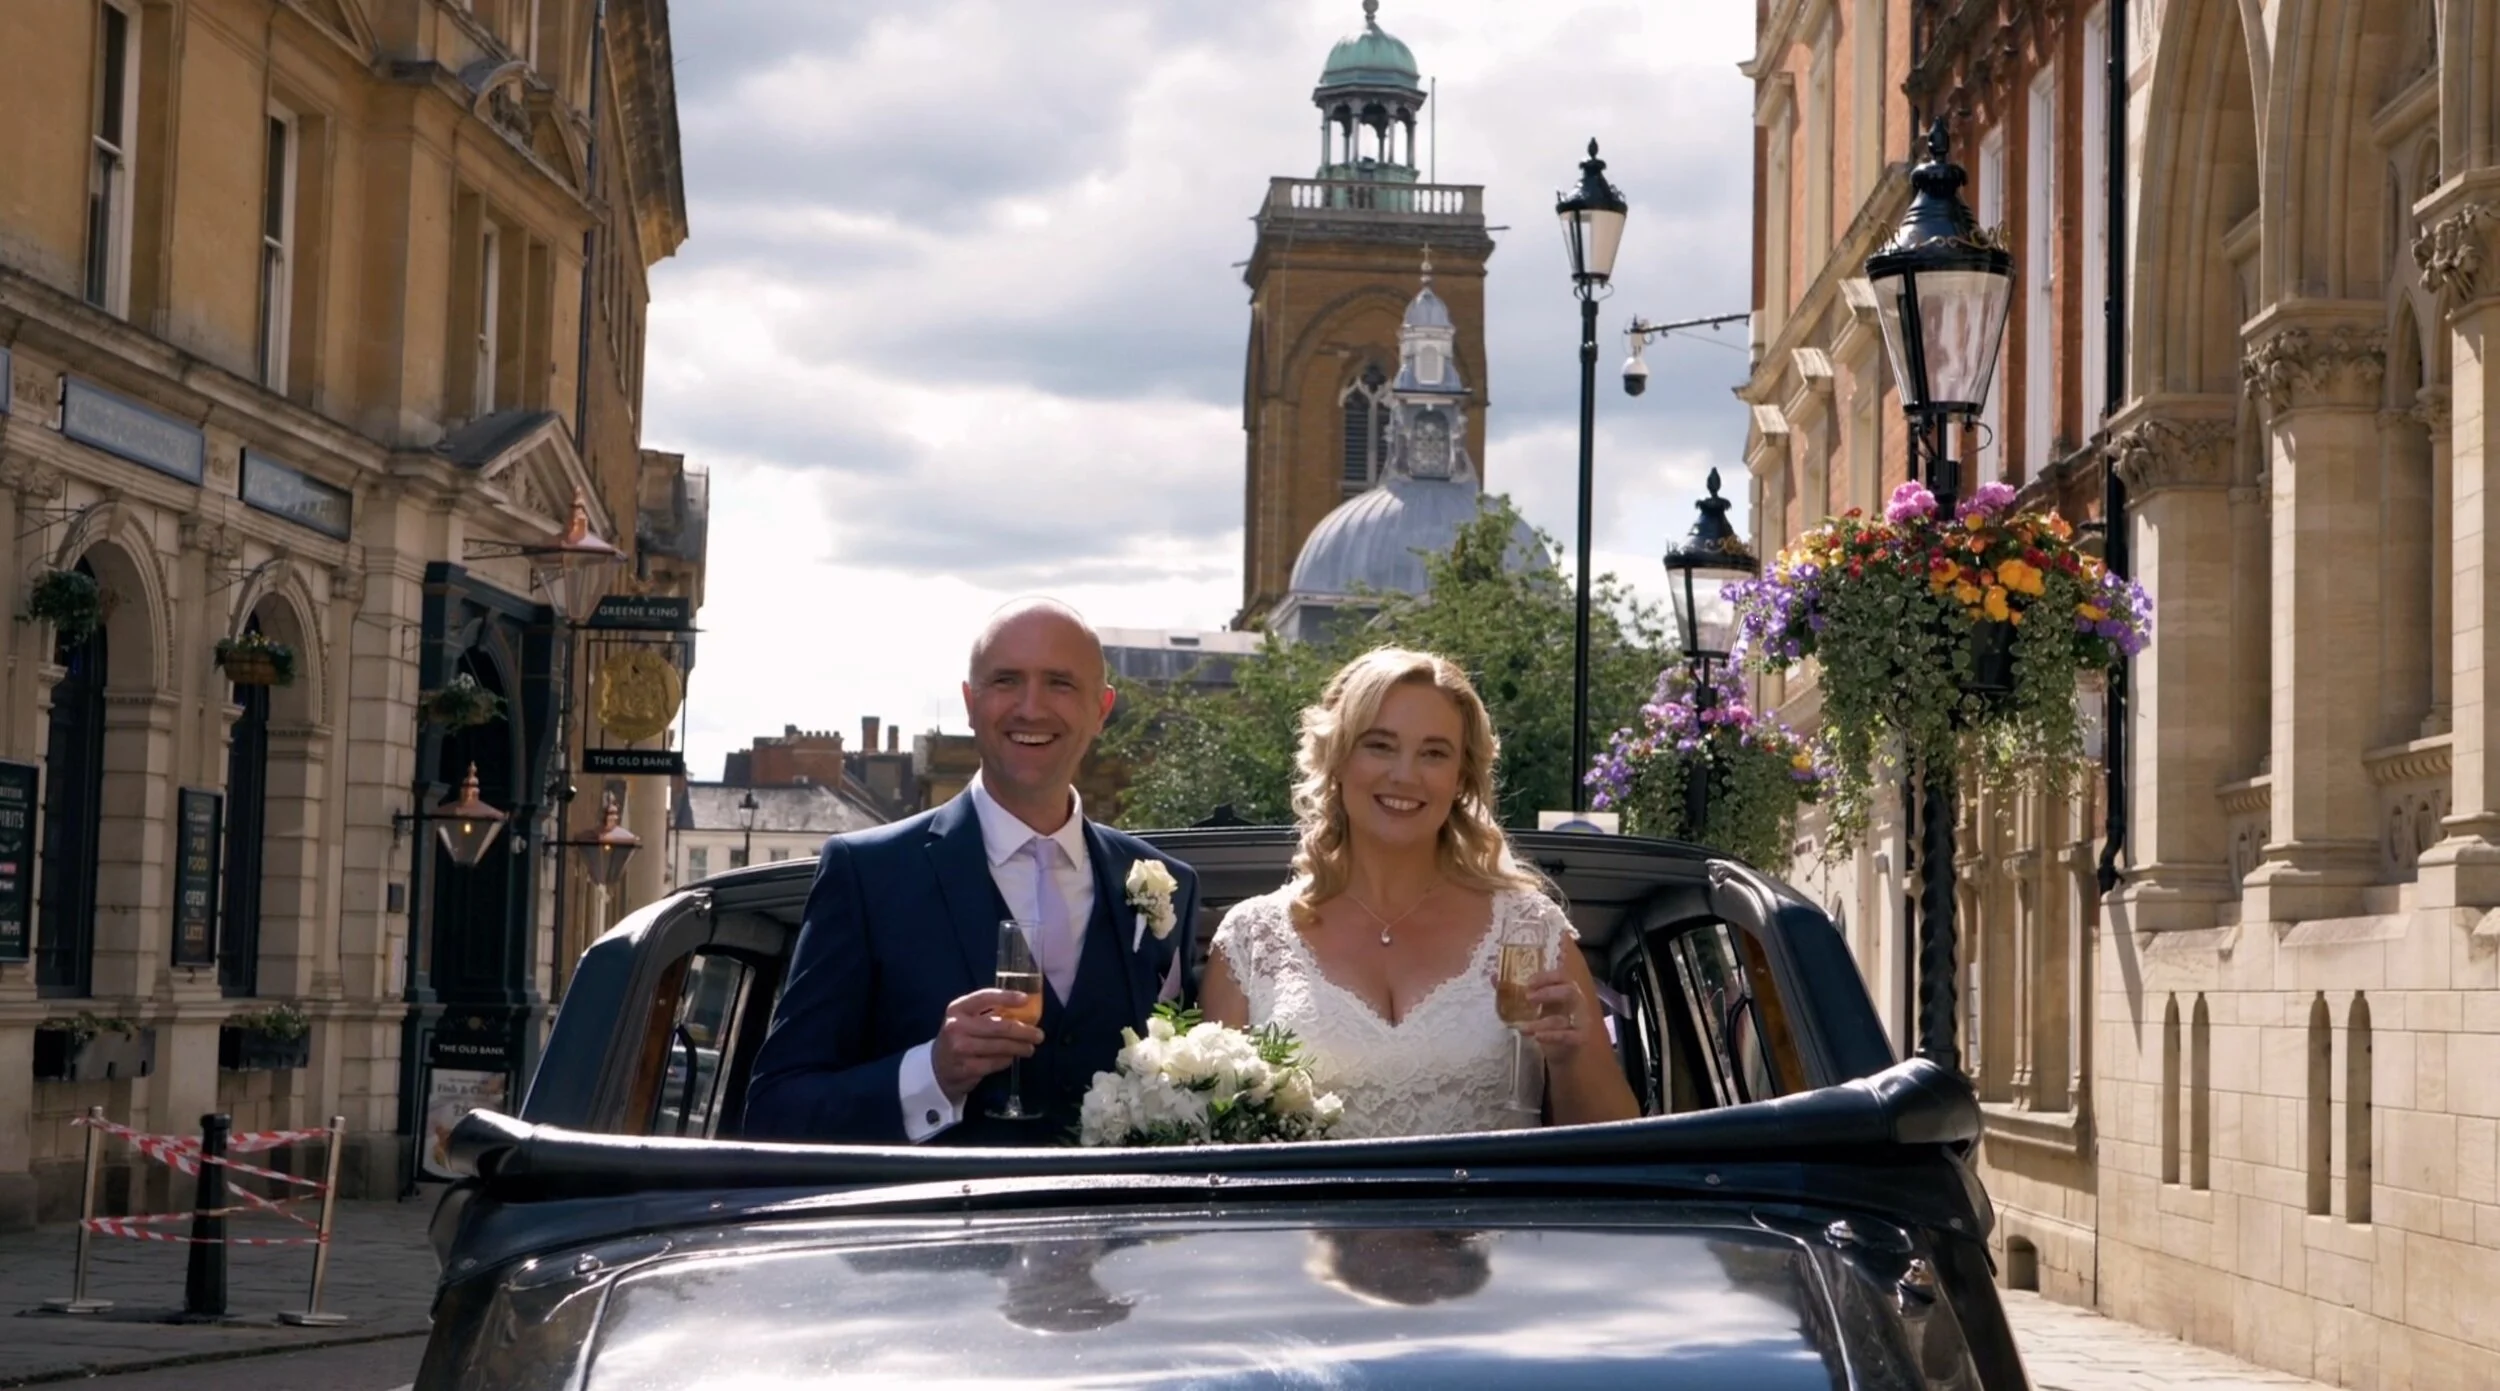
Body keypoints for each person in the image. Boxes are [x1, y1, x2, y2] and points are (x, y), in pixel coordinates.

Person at [742, 599, 1197, 1144]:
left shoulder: (1168, 886)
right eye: (1006, 681)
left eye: (1059, 683)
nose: (1031, 708)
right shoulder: (868, 876)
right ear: (969, 702)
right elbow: (775, 1113)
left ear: (1101, 709)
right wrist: (931, 1074)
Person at [1199, 647, 1638, 1139]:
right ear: (1337, 758)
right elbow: (1213, 1150)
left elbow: (1618, 1147)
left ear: (1460, 778)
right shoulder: (1251, 941)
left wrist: (1570, 1056)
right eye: (1380, 746)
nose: (1405, 775)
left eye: (1434, 753)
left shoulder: (1529, 930)